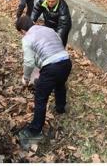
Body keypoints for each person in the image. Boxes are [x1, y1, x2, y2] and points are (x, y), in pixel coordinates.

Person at [16, 16, 72, 147]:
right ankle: (60, 107)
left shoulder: (27, 38)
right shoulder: (48, 29)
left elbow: (29, 62)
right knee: (60, 84)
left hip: (51, 67)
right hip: (66, 61)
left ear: (23, 30)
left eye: (20, 32)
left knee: (40, 98)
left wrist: (26, 77)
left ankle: (35, 131)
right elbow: (58, 44)